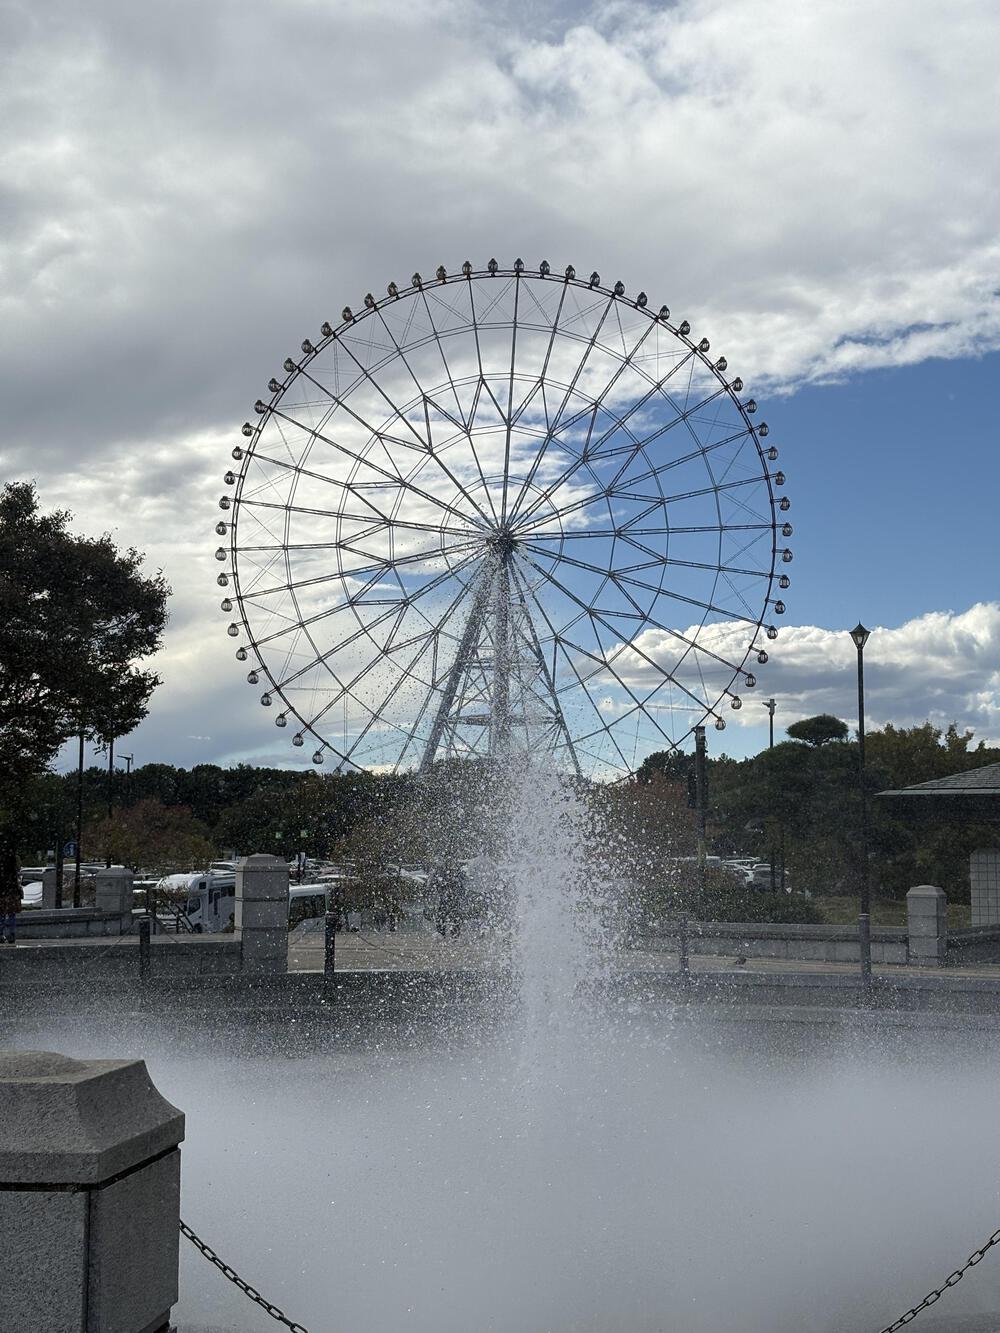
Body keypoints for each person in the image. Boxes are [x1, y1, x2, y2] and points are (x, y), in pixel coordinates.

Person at [0, 843, 23, 945]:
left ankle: (1, 934)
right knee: (12, 914)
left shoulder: (2, 866)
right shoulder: (13, 867)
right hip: (13, 892)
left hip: (2, 892)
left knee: (1, 914)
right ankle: (12, 934)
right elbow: (18, 877)